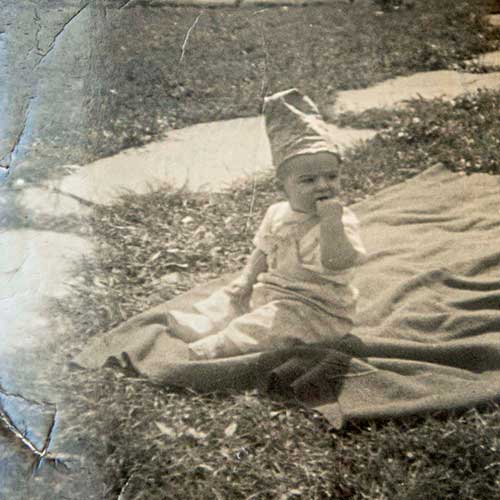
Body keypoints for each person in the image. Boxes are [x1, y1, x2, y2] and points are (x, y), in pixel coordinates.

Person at [168, 89, 366, 360]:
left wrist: (331, 223)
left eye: (331, 176)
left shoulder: (341, 221)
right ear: (281, 186)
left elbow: (338, 261)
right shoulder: (276, 213)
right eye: (308, 180)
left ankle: (224, 343)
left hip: (317, 309)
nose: (323, 185)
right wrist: (247, 279)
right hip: (270, 290)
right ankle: (205, 322)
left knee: (271, 324)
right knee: (235, 295)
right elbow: (262, 250)